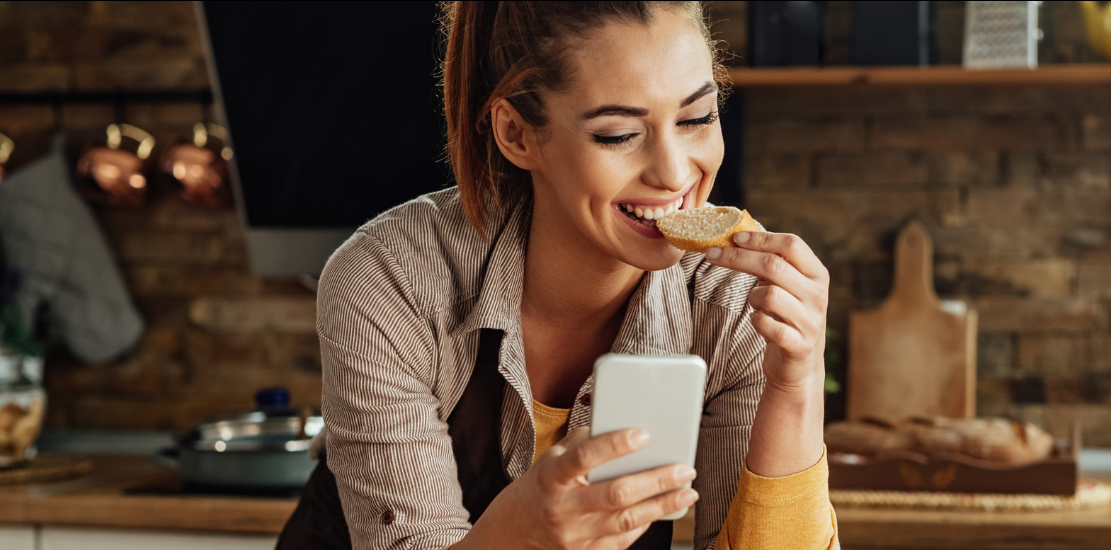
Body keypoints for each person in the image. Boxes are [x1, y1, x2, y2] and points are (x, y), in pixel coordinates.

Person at [276, 2, 837, 549]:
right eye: (617, 134)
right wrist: (518, 537)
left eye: (697, 119)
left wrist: (795, 384)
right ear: (517, 134)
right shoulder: (388, 278)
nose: (673, 173)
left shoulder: (737, 299)